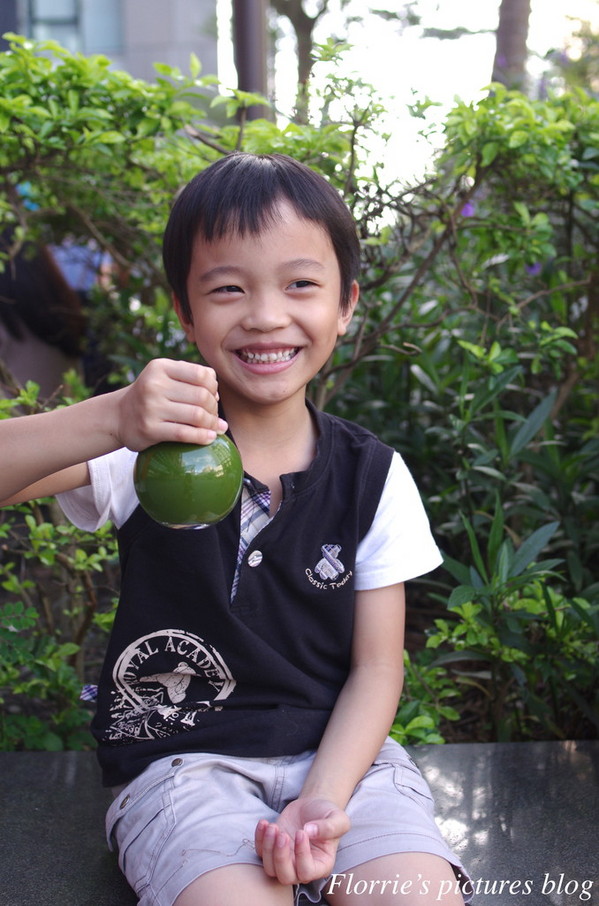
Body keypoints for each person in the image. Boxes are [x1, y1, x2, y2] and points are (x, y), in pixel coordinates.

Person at [0, 153, 470, 906]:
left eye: (300, 285)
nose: (264, 314)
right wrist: (110, 418)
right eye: (227, 288)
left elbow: (378, 669)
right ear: (185, 310)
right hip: (182, 770)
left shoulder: (373, 476)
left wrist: (323, 798)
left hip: (345, 763)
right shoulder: (142, 449)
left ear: (345, 305)